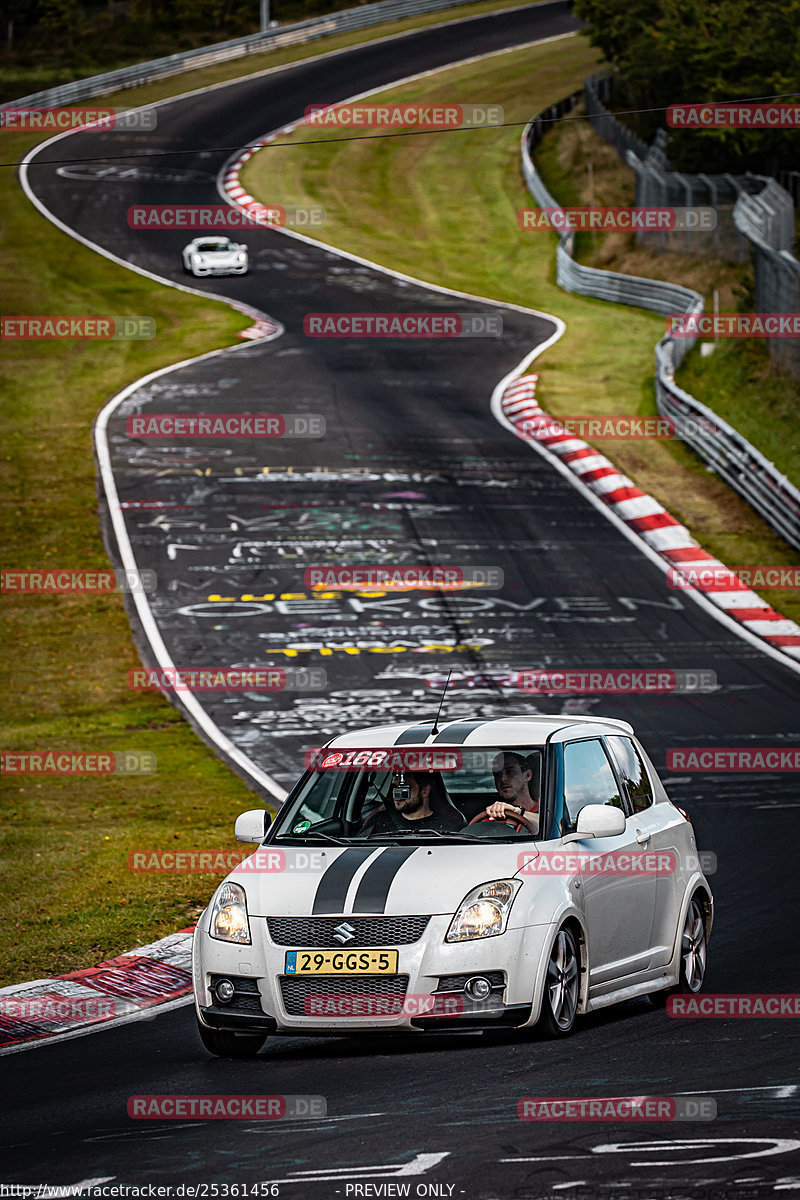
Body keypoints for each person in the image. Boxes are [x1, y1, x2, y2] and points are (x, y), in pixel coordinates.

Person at [362, 771, 463, 834]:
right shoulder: (377, 822)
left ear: (425, 791)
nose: (397, 795)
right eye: (394, 788)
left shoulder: (449, 826)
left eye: (404, 790)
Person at [470, 751, 540, 834]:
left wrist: (519, 812)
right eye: (497, 775)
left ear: (527, 775)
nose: (502, 779)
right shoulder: (489, 820)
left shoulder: (548, 807)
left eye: (509, 772)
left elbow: (556, 828)